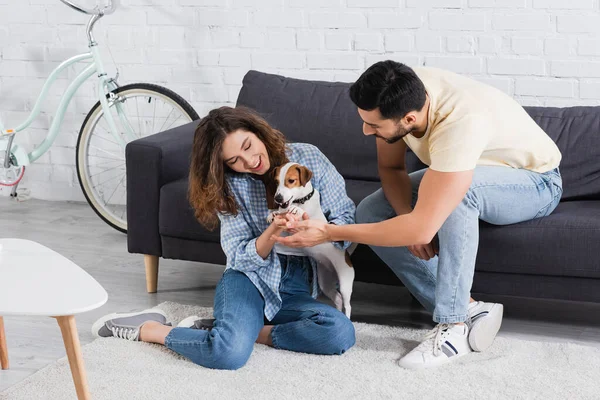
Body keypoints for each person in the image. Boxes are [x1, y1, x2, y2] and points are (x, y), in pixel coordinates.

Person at [274, 61, 563, 370]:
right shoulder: (401, 90)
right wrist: (406, 216)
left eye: (373, 126)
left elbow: (422, 231)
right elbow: (391, 168)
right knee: (372, 209)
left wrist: (331, 232)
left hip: (534, 181)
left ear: (409, 119)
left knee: (460, 196)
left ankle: (453, 325)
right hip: (475, 167)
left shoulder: (460, 123)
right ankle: (470, 310)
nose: (365, 130)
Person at [91, 106, 356, 370]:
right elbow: (238, 255)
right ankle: (149, 328)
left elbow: (345, 215)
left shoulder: (308, 157)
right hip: (248, 279)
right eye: (234, 160)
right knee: (228, 354)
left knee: (339, 332)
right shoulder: (227, 186)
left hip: (296, 285)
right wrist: (273, 231)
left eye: (249, 145)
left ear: (258, 131)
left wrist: (323, 233)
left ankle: (240, 330)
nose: (250, 161)